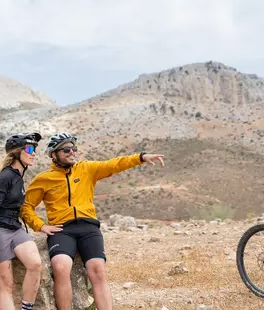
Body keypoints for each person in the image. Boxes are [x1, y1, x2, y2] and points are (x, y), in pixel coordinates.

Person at [19, 132, 165, 310]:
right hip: (62, 230)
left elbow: (114, 164)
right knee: (61, 267)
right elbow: (26, 207)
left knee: (97, 269)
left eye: (73, 148)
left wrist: (141, 157)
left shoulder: (86, 168)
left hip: (88, 227)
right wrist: (40, 225)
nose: (72, 152)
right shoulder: (43, 179)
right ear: (53, 154)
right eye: (66, 150)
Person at [0, 132, 52, 310]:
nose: (33, 153)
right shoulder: (5, 177)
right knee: (7, 285)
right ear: (17, 152)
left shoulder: (18, 175)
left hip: (15, 228)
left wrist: (40, 225)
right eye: (29, 149)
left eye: (34, 149)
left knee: (35, 264)